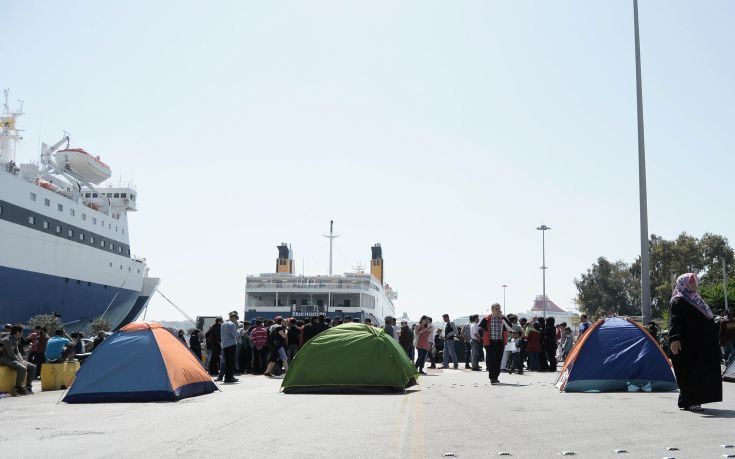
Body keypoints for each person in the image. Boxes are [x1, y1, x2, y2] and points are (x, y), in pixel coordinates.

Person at [668, 273, 722, 412]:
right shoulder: (678, 301)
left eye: (694, 282)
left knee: (699, 372)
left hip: (700, 345)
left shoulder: (696, 299)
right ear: (683, 284)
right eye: (690, 282)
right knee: (688, 372)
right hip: (686, 346)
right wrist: (675, 338)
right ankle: (690, 401)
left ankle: (687, 401)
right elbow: (675, 321)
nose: (694, 285)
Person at [479, 303, 512, 384]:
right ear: (492, 310)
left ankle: (496, 377)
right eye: (496, 309)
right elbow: (480, 329)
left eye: (499, 309)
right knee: (492, 361)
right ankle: (492, 378)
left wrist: (503, 318)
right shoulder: (487, 319)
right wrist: (483, 340)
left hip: (500, 342)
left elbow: (510, 327)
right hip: (490, 343)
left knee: (498, 361)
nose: (498, 310)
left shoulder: (503, 319)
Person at [0, 325, 37, 395]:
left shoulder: (15, 339)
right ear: (17, 332)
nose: (22, 333)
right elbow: (11, 354)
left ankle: (28, 386)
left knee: (33, 367)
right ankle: (18, 387)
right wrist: (21, 362)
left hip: (11, 358)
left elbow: (17, 352)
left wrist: (22, 360)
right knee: (22, 368)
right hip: (4, 358)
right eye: (22, 332)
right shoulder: (6, 340)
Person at [220, 312, 244, 383]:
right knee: (231, 362)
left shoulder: (223, 324)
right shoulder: (232, 324)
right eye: (236, 319)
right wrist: (239, 331)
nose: (236, 321)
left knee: (227, 362)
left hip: (224, 345)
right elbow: (235, 335)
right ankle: (229, 377)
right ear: (234, 318)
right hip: (231, 345)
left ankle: (227, 377)